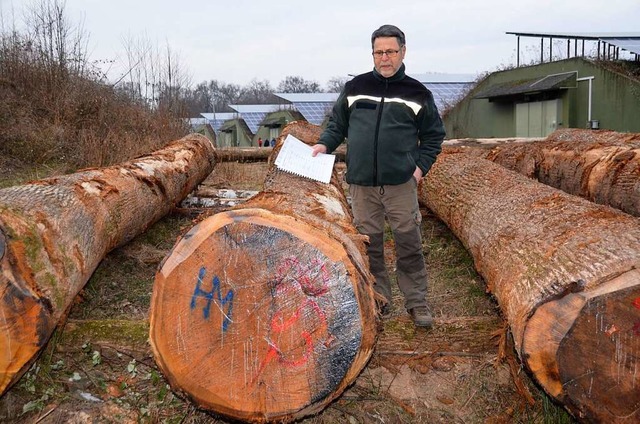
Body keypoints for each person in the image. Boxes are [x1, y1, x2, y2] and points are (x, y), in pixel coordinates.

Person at [312, 24, 445, 328]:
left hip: (400, 184)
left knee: (408, 241)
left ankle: (417, 301)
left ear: (403, 52)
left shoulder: (418, 93)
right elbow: (337, 125)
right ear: (372, 53)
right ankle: (378, 298)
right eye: (379, 52)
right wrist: (323, 144)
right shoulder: (355, 88)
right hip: (362, 184)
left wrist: (419, 168)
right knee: (369, 245)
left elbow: (434, 136)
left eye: (391, 52)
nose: (385, 58)